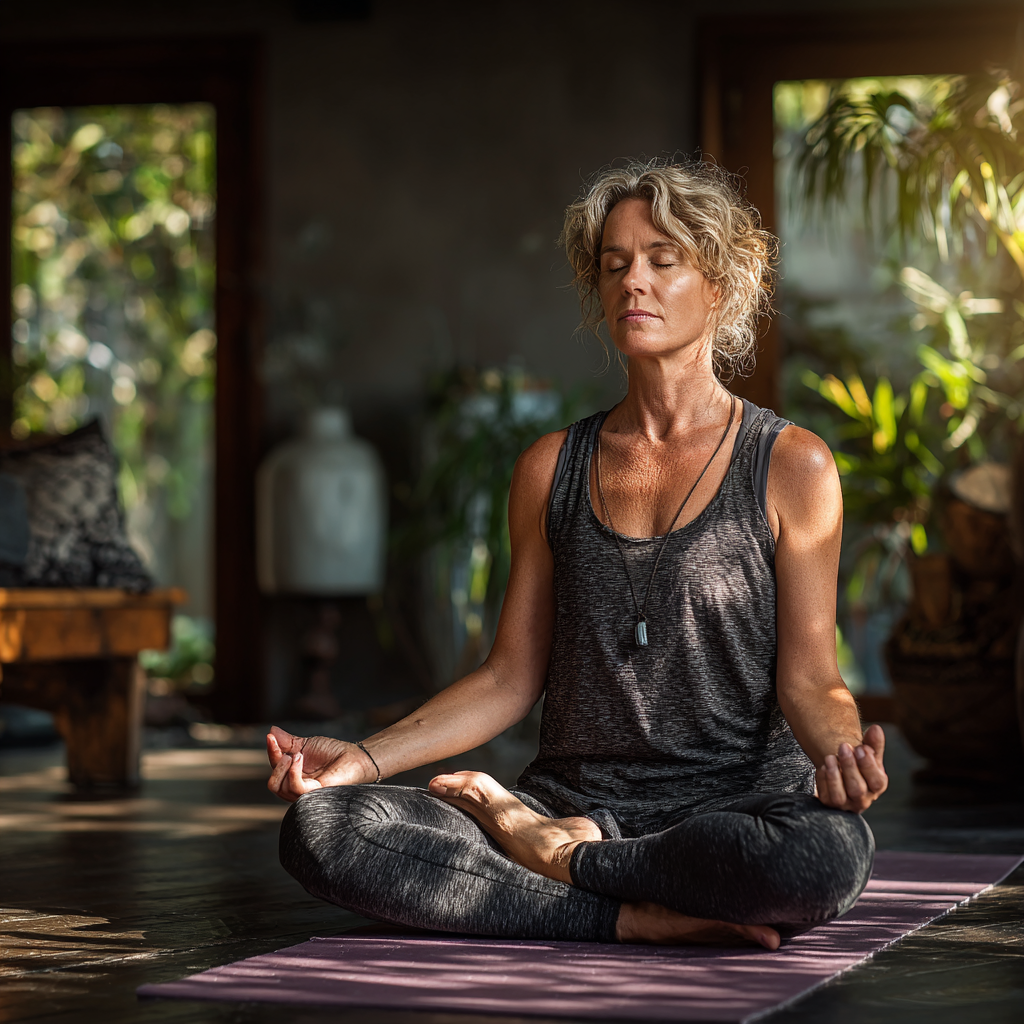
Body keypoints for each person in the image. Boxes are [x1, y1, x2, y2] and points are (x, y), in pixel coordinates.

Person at [266, 159, 887, 950]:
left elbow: (811, 678)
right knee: (324, 829)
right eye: (615, 264)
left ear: (721, 286)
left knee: (822, 860)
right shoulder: (550, 468)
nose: (634, 282)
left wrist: (844, 757)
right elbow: (508, 677)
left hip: (732, 809)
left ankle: (561, 864)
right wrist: (362, 758)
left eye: (663, 260)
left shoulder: (792, 466)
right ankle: (624, 912)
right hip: (569, 800)